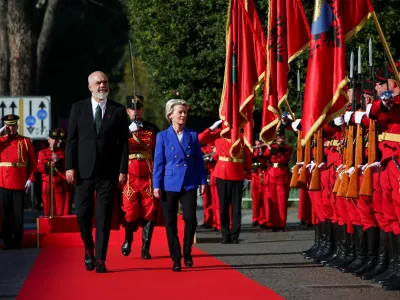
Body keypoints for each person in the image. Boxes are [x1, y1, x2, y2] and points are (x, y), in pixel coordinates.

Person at [65, 71, 129, 273]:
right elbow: (72, 140)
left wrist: (122, 170)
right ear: (90, 87)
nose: (103, 85)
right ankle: (88, 248)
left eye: (105, 82)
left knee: (103, 217)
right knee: (82, 215)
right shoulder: (78, 108)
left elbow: (123, 145)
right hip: (82, 172)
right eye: (98, 82)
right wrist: (69, 166)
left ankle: (101, 259)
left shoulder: (118, 111)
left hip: (107, 173)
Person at [153, 99, 207, 272]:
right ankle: (176, 258)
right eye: (180, 112)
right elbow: (158, 162)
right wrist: (156, 185)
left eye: (185, 112)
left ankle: (187, 251)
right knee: (170, 223)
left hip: (189, 182)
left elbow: (199, 160)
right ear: (170, 115)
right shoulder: (162, 136)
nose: (183, 115)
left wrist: (202, 180)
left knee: (191, 219)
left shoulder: (192, 135)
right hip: (168, 183)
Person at [121, 95, 161, 259]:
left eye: (138, 108)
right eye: (132, 108)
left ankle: (145, 247)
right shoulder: (122, 128)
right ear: (127, 110)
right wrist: (126, 132)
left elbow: (158, 151)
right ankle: (128, 239)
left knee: (149, 211)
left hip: (148, 174)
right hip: (130, 175)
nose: (135, 111)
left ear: (142, 109)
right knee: (130, 211)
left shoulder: (151, 128)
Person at [0, 114, 37, 249]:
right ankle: (6, 240)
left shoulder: (25, 141)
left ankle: (17, 242)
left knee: (18, 215)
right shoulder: (1, 141)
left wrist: (31, 179)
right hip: (3, 182)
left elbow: (34, 163)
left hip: (19, 182)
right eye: (8, 126)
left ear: (17, 126)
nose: (11, 128)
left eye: (13, 125)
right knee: (5, 214)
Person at [37, 128, 70, 216]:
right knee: (48, 208)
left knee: (60, 208)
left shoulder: (62, 152)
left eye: (57, 140)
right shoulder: (42, 152)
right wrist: (49, 164)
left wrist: (58, 161)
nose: (55, 142)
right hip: (47, 183)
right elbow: (39, 168)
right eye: (53, 139)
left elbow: (65, 167)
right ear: (49, 140)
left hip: (58, 183)